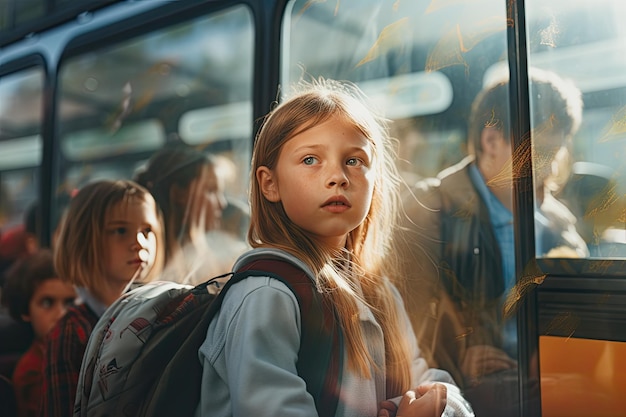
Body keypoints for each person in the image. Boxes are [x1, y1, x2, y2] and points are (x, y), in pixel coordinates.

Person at [196, 78, 474, 417]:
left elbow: (432, 383)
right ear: (270, 184)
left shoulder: (380, 292)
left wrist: (441, 405)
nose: (338, 176)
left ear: (376, 182)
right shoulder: (267, 294)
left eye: (354, 161)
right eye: (311, 160)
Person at [395, 68, 588, 415]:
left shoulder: (559, 225)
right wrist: (460, 356)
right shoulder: (429, 211)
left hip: (544, 379)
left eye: (555, 154)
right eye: (540, 153)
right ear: (491, 141)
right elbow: (404, 324)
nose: (548, 169)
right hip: (463, 390)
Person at [39, 179, 164, 417]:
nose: (140, 244)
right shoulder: (70, 333)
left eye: (147, 231)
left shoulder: (154, 312)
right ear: (84, 239)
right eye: (120, 230)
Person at [134, 145, 244, 284]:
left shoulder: (221, 259)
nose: (222, 203)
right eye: (211, 190)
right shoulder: (143, 262)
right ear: (178, 193)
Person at [1, 249, 76, 417]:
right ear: (25, 311)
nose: (61, 314)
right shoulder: (32, 373)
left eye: (70, 302)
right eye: (48, 303)